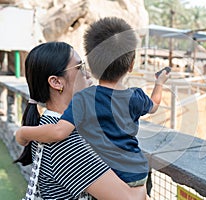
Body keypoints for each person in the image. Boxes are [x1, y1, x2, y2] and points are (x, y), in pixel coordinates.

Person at [16, 17, 169, 187]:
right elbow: (154, 105)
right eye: (79, 67)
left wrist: (23, 133)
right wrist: (159, 83)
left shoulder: (85, 98)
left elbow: (59, 131)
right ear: (131, 65)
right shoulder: (136, 96)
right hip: (138, 170)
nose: (85, 72)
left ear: (93, 64)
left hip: (116, 175)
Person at [14, 41, 147, 199]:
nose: (88, 74)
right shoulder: (65, 143)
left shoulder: (46, 126)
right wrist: (140, 174)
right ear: (56, 82)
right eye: (79, 67)